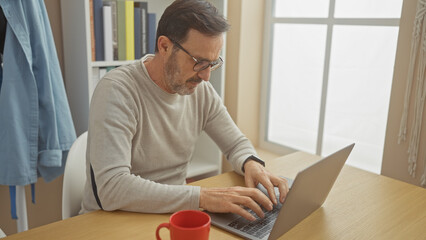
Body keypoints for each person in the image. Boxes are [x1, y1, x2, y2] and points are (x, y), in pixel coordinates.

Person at [80, 0, 288, 221]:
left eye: (213, 63)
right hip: (109, 221)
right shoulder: (118, 90)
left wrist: (252, 163)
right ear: (164, 46)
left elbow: (236, 143)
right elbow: (113, 188)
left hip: (170, 216)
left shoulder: (201, 91)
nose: (206, 76)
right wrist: (203, 197)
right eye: (199, 62)